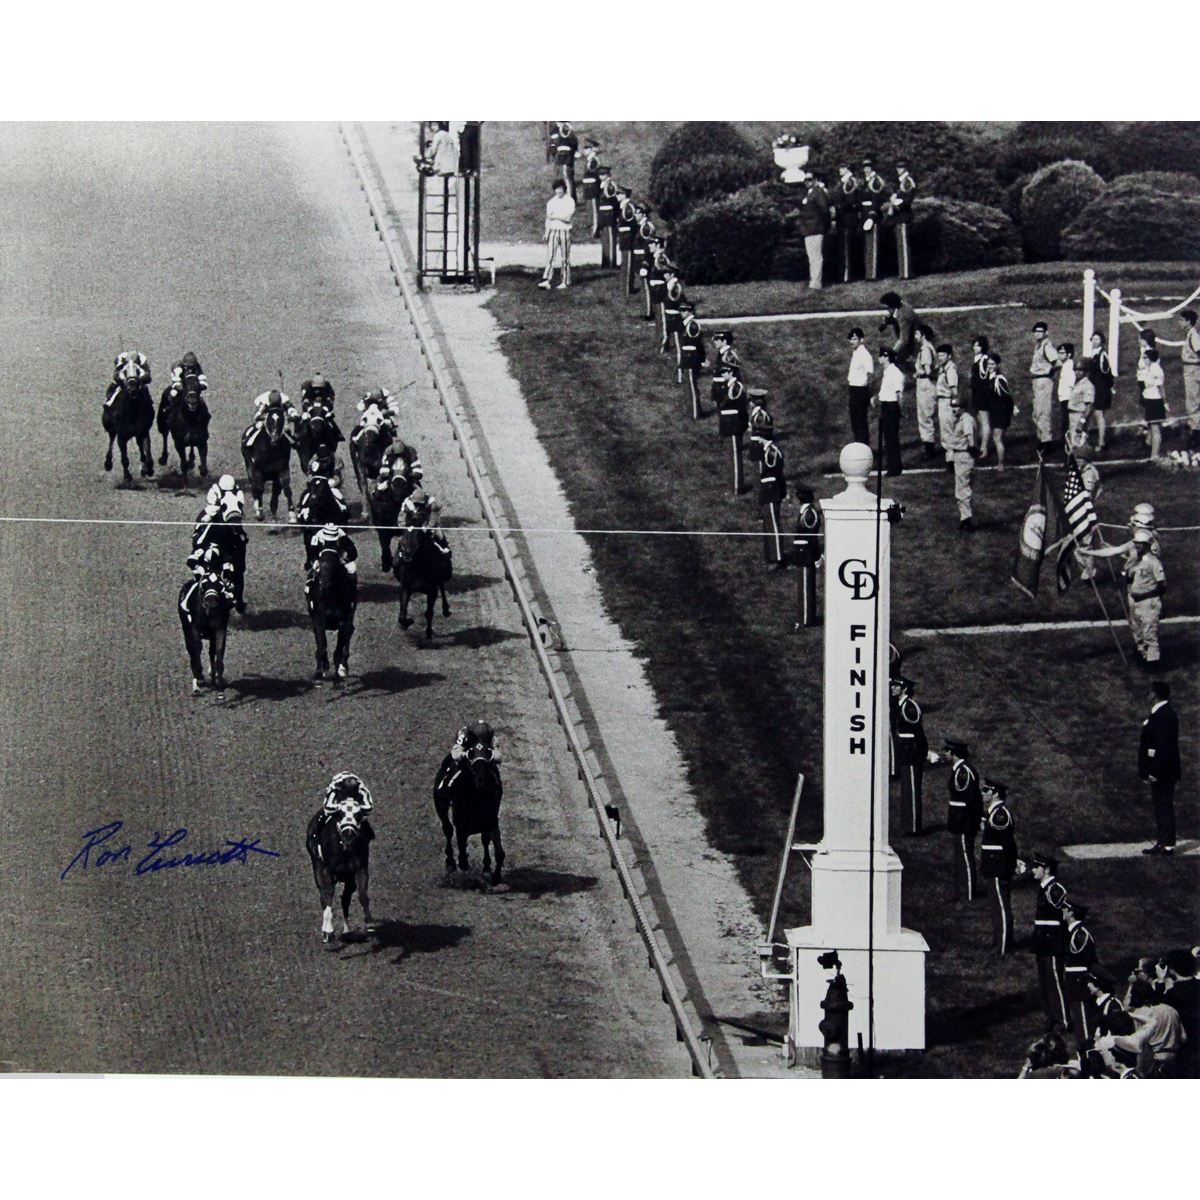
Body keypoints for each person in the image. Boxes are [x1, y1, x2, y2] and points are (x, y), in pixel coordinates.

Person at [1029, 853, 1071, 1032]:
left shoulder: (1055, 889)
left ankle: (1063, 1020)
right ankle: (1051, 1016)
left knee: (1055, 982)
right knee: (1044, 981)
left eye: (1036, 867)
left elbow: (1062, 913)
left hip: (1053, 942)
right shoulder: (1044, 888)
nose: (1033, 870)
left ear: (1046, 869)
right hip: (1042, 941)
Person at [1139, 680, 1180, 855]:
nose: (1148, 694)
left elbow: (1164, 747)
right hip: (1162, 769)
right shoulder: (1162, 713)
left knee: (1164, 806)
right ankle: (1162, 842)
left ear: (1155, 694)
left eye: (1150, 692)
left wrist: (1154, 771)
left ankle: (1168, 844)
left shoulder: (1164, 715)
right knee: (1160, 806)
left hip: (1163, 771)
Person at [979, 780, 1018, 956]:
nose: (983, 793)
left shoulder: (1000, 815)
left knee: (1001, 906)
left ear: (995, 794)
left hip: (998, 864)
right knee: (996, 904)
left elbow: (1006, 842)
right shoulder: (993, 813)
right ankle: (999, 941)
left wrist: (1012, 863)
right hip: (994, 864)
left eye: (986, 790)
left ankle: (1003, 945)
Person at [941, 737, 981, 902]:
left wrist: (972, 820)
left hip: (964, 820)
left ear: (954, 753)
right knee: (960, 856)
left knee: (965, 856)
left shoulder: (963, 772)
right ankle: (961, 891)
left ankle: (968, 893)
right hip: (960, 819)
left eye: (947, 751)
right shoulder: (960, 770)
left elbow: (969, 799)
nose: (945, 753)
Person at [1061, 899, 1101, 1043]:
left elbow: (1087, 961)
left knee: (1083, 1022)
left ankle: (1088, 1051)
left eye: (1064, 909)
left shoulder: (1080, 934)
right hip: (1074, 982)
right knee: (1079, 1019)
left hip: (1080, 982)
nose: (1062, 911)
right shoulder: (1072, 932)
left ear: (1071, 913)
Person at [892, 676, 927, 834]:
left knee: (912, 790)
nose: (892, 688)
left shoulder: (909, 706)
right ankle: (907, 826)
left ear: (904, 689)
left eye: (896, 686)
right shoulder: (900, 704)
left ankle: (913, 827)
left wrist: (918, 752)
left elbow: (916, 731)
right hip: (904, 750)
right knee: (906, 788)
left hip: (911, 752)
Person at [1159, 948, 1200, 1077]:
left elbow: (1158, 1010)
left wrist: (1160, 981)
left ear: (1171, 970)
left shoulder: (1172, 995)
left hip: (1186, 1052)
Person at [944, 395, 979, 531]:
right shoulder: (961, 419)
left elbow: (969, 436)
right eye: (952, 407)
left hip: (964, 455)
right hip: (960, 455)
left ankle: (967, 520)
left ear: (963, 408)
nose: (953, 409)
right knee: (961, 488)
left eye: (956, 406)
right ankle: (965, 518)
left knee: (962, 488)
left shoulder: (966, 419)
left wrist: (972, 447)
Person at [312, 771, 375, 840]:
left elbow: (368, 807)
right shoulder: (334, 788)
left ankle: (369, 833)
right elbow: (328, 806)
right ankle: (317, 831)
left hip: (356, 803)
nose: (349, 798)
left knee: (362, 819)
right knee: (324, 814)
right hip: (339, 801)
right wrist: (339, 807)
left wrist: (358, 809)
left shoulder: (363, 790)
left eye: (352, 795)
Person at [1029, 321, 1059, 460]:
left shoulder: (1047, 346)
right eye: (1035, 331)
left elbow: (1057, 362)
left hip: (1043, 380)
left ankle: (1046, 442)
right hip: (1037, 380)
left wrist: (1049, 372)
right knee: (1037, 412)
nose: (1037, 334)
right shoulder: (1038, 346)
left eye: (1040, 331)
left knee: (1043, 412)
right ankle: (1042, 439)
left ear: (1046, 333)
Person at [539, 179, 575, 291]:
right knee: (550, 256)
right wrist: (547, 232)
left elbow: (567, 218)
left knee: (565, 257)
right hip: (553, 231)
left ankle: (565, 281)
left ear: (564, 189)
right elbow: (548, 219)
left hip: (565, 231)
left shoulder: (569, 201)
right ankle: (546, 280)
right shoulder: (551, 202)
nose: (558, 191)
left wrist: (555, 216)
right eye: (556, 189)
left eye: (560, 189)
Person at [758, 435, 787, 570]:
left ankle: (777, 557)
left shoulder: (772, 452)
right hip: (767, 492)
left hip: (771, 491)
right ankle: (771, 556)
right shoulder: (768, 450)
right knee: (768, 525)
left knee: (773, 525)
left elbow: (772, 467)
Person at [884, 160, 916, 280]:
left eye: (901, 167)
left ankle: (906, 272)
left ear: (905, 169)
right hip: (899, 216)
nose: (898, 169)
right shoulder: (901, 182)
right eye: (898, 167)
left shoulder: (908, 182)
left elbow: (907, 200)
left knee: (903, 245)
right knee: (901, 245)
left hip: (903, 216)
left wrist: (894, 206)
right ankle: (903, 271)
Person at [797, 173, 831, 289]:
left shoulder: (818, 192)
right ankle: (814, 281)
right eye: (805, 180)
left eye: (810, 180)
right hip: (808, 228)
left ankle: (816, 283)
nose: (807, 182)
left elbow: (824, 210)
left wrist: (825, 225)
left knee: (816, 256)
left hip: (816, 228)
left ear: (815, 180)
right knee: (812, 256)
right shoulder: (809, 193)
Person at [875, 346, 904, 475]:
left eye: (881, 356)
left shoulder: (894, 372)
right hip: (886, 406)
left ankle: (895, 468)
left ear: (886, 357)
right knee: (888, 437)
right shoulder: (888, 372)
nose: (879, 358)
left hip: (891, 407)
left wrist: (899, 409)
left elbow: (899, 394)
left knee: (892, 438)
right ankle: (893, 466)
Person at [831, 163, 861, 283]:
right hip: (842, 219)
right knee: (843, 248)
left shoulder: (850, 182)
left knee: (846, 248)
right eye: (840, 167)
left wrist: (837, 209)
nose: (840, 170)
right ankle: (843, 274)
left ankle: (847, 275)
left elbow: (850, 201)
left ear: (848, 169)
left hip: (848, 219)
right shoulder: (842, 182)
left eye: (842, 168)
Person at [1084, 332, 1114, 452]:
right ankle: (1088, 440)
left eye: (1097, 339)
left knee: (1098, 414)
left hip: (1100, 389)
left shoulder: (1102, 355)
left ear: (1102, 341)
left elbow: (1106, 373)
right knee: (1092, 414)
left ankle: (1101, 442)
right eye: (1093, 339)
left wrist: (1106, 388)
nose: (1095, 341)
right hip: (1094, 388)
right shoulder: (1094, 354)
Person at [913, 324, 939, 459]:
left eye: (917, 334)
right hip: (926, 385)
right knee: (925, 416)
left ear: (923, 336)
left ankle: (929, 450)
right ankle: (929, 447)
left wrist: (918, 374)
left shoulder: (926, 350)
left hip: (925, 386)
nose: (915, 336)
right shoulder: (928, 348)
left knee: (925, 416)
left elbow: (928, 371)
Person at [983, 353, 1013, 469]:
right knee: (997, 438)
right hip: (995, 412)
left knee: (997, 438)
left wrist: (1009, 411)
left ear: (998, 365)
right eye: (988, 364)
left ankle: (1001, 464)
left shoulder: (999, 379)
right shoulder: (990, 378)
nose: (990, 366)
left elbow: (1007, 397)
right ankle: (1001, 462)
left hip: (1000, 413)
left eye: (992, 364)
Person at [858, 158, 886, 281]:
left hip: (871, 214)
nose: (866, 170)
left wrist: (872, 216)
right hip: (864, 213)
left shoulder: (875, 181)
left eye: (868, 167)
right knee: (866, 245)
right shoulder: (864, 181)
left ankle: (872, 273)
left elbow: (876, 199)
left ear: (872, 168)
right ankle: (867, 272)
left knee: (872, 244)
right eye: (865, 168)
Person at [1138, 344, 1166, 460]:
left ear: (1151, 359)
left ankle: (1155, 456)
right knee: (1151, 427)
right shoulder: (1148, 369)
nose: (1143, 360)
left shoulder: (1156, 370)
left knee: (1155, 429)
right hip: (1150, 400)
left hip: (1156, 401)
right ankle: (1151, 451)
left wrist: (1165, 403)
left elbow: (1161, 388)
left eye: (1145, 358)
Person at [846, 327, 874, 446]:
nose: (851, 342)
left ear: (861, 340)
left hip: (861, 391)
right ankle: (858, 446)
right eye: (850, 339)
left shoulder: (865, 355)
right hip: (853, 390)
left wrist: (871, 395)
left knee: (860, 421)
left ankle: (864, 447)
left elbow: (870, 375)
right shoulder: (856, 353)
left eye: (854, 339)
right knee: (855, 421)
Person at [1180, 308, 1200, 449]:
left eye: (1182, 320)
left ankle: (1196, 434)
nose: (1180, 323)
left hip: (1193, 371)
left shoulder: (1193, 335)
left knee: (1193, 402)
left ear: (1188, 321)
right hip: (1190, 370)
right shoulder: (1190, 335)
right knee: (1192, 401)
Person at [934, 343, 959, 453]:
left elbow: (954, 391)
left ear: (949, 356)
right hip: (942, 401)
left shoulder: (950, 370)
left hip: (947, 402)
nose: (940, 358)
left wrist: (954, 406)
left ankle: (952, 458)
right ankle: (950, 456)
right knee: (945, 431)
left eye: (943, 355)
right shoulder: (943, 368)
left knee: (948, 430)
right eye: (939, 355)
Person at [970, 335, 991, 455]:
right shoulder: (978, 359)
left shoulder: (984, 359)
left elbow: (984, 377)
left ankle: (984, 448)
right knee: (980, 420)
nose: (975, 348)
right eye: (974, 345)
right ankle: (981, 447)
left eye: (977, 346)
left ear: (983, 347)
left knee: (984, 421)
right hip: (977, 393)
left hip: (982, 394)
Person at [1055, 342, 1076, 445]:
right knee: (1065, 420)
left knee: (1067, 421)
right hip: (1064, 397)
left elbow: (1071, 384)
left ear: (1069, 354)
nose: (1060, 355)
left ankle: (1066, 442)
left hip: (1068, 397)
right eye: (1059, 353)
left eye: (1062, 353)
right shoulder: (1065, 366)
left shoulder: (1070, 367)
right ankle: (1065, 442)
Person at [553, 121, 579, 198]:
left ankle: (570, 197)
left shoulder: (566, 130)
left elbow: (573, 143)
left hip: (566, 158)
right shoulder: (559, 130)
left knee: (568, 178)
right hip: (562, 158)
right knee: (565, 178)